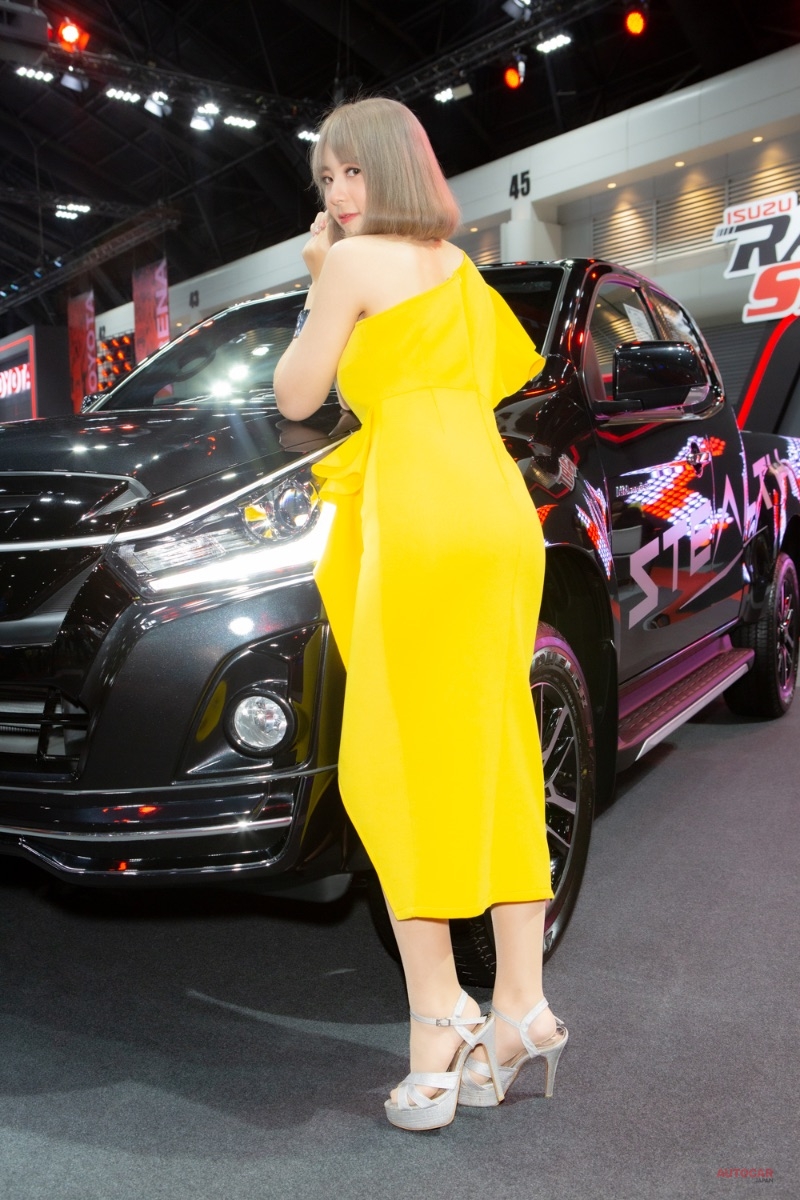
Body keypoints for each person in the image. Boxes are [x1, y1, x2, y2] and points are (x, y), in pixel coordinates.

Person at [274, 96, 567, 1132]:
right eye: (325, 179)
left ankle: (437, 1021)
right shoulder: (462, 270)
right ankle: (522, 1006)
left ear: (394, 169)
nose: (338, 193)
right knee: (496, 746)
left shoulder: (352, 263)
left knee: (391, 764)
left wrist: (321, 273)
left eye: (351, 171)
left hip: (421, 517)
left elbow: (296, 394)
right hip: (494, 511)